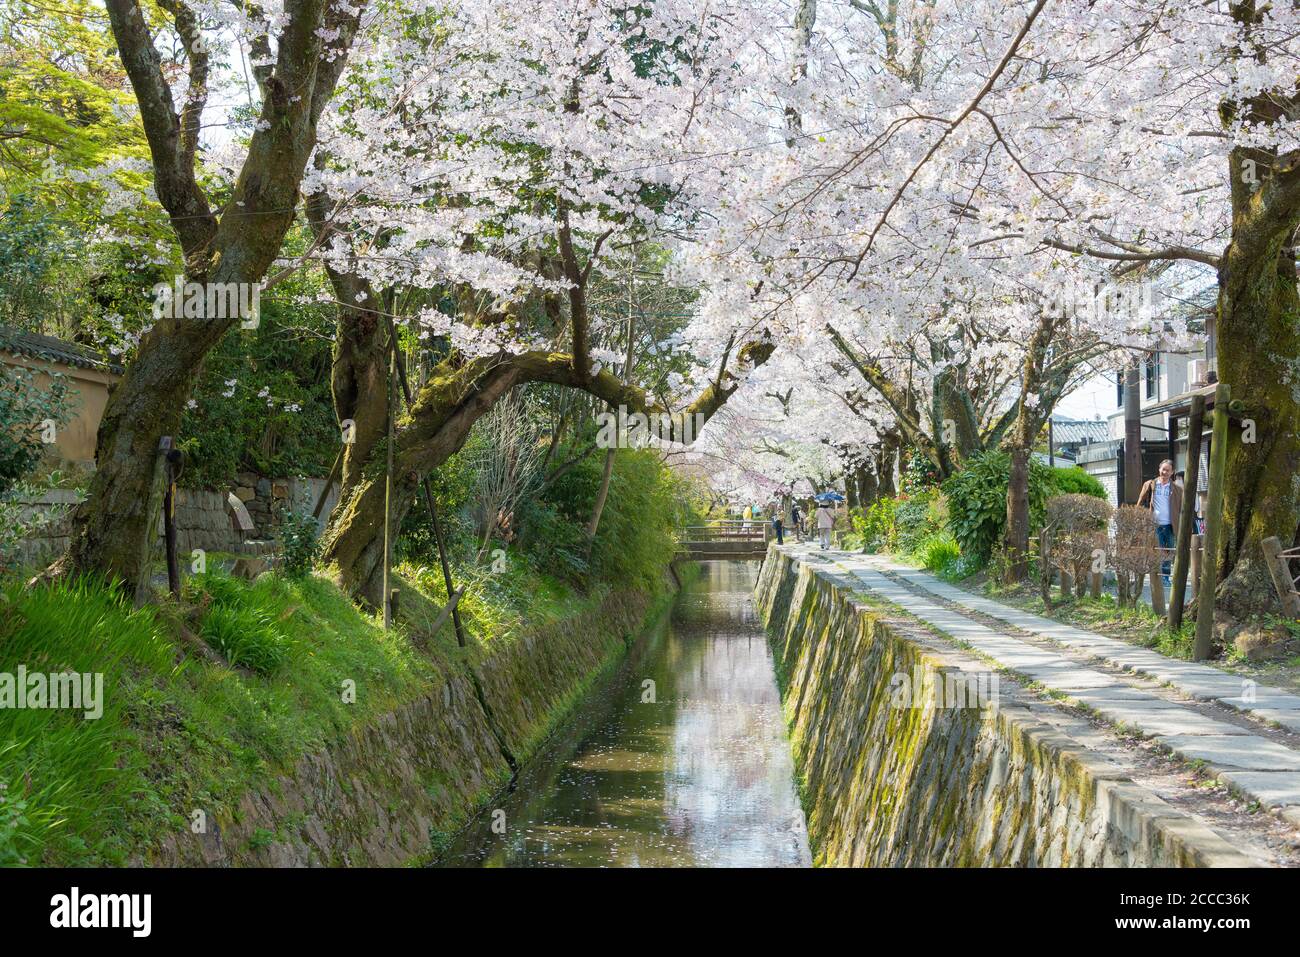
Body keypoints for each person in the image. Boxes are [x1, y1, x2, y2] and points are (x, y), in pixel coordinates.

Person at [1137, 459, 1181, 585]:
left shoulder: (1177, 489)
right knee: (1158, 549)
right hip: (1155, 523)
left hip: (1171, 524)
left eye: (1168, 470)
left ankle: (1165, 577)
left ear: (1172, 472)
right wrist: (1138, 515)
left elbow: (1181, 508)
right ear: (1159, 469)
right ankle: (1157, 576)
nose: (1165, 472)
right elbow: (1140, 501)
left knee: (1168, 551)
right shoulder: (1151, 484)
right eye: (1163, 469)